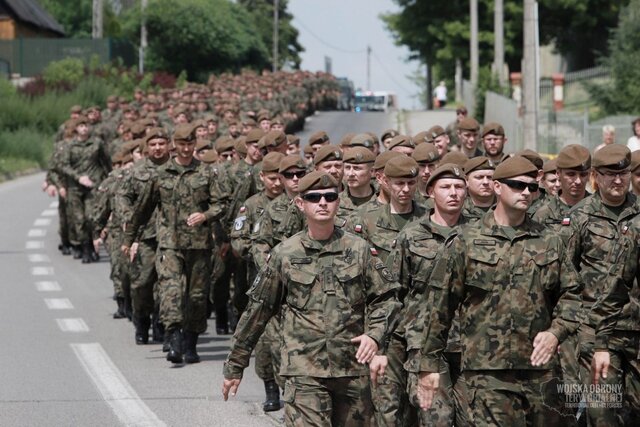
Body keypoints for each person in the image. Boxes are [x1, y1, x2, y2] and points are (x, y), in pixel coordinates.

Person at [222, 171, 401, 426]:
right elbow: (258, 311)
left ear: (338, 202)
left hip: (352, 368)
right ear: (300, 203)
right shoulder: (285, 253)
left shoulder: (359, 249)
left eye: (329, 196)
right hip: (304, 369)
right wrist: (235, 365)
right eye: (314, 197)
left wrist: (374, 334)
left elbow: (386, 298)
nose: (323, 203)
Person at [418, 156, 583, 426]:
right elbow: (439, 306)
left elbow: (572, 297)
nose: (526, 193)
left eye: (533, 188)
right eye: (518, 185)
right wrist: (428, 365)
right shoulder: (467, 241)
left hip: (540, 372)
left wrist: (556, 332)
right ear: (496, 187)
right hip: (487, 373)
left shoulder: (550, 241)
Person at [122, 123, 230, 365]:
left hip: (199, 245)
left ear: (194, 145)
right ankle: (173, 337)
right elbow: (142, 210)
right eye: (180, 144)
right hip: (169, 244)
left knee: (197, 297)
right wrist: (130, 240)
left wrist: (205, 216)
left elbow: (222, 204)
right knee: (171, 290)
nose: (184, 148)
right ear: (174, 145)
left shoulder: (207, 173)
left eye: (189, 144)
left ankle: (191, 342)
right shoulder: (160, 175)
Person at [392, 163, 471, 427]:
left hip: (472, 344)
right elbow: (395, 293)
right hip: (425, 345)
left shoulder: (480, 235)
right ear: (430, 192)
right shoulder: (411, 236)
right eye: (446, 187)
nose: (454, 193)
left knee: (472, 419)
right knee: (437, 418)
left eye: (459, 187)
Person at [568, 144, 640, 425]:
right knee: (603, 413)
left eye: (623, 173)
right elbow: (567, 275)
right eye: (611, 174)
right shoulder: (579, 217)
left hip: (636, 329)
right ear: (596, 176)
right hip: (598, 331)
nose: (618, 180)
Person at [118, 128, 172, 345]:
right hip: (144, 235)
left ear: (168, 144)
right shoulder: (137, 171)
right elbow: (122, 196)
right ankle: (142, 320)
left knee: (168, 283)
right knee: (142, 282)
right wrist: (129, 219)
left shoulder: (175, 169)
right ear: (147, 147)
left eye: (161, 143)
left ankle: (163, 324)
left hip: (171, 235)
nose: (157, 148)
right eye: (153, 144)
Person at [461, 156, 495, 221]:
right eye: (479, 177)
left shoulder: (505, 208)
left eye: (490, 177)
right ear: (466, 180)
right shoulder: (457, 210)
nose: (486, 182)